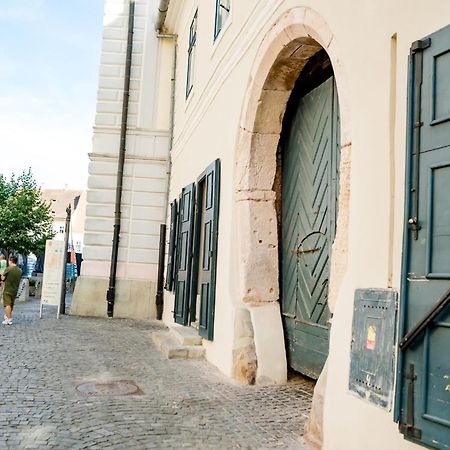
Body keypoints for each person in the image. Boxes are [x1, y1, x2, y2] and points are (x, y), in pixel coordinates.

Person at [1, 255, 22, 325]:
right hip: (15, 289)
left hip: (7, 289)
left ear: (10, 260)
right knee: (11, 305)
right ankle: (7, 317)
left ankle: (8, 319)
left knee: (7, 304)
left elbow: (3, 278)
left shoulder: (8, 269)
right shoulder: (19, 270)